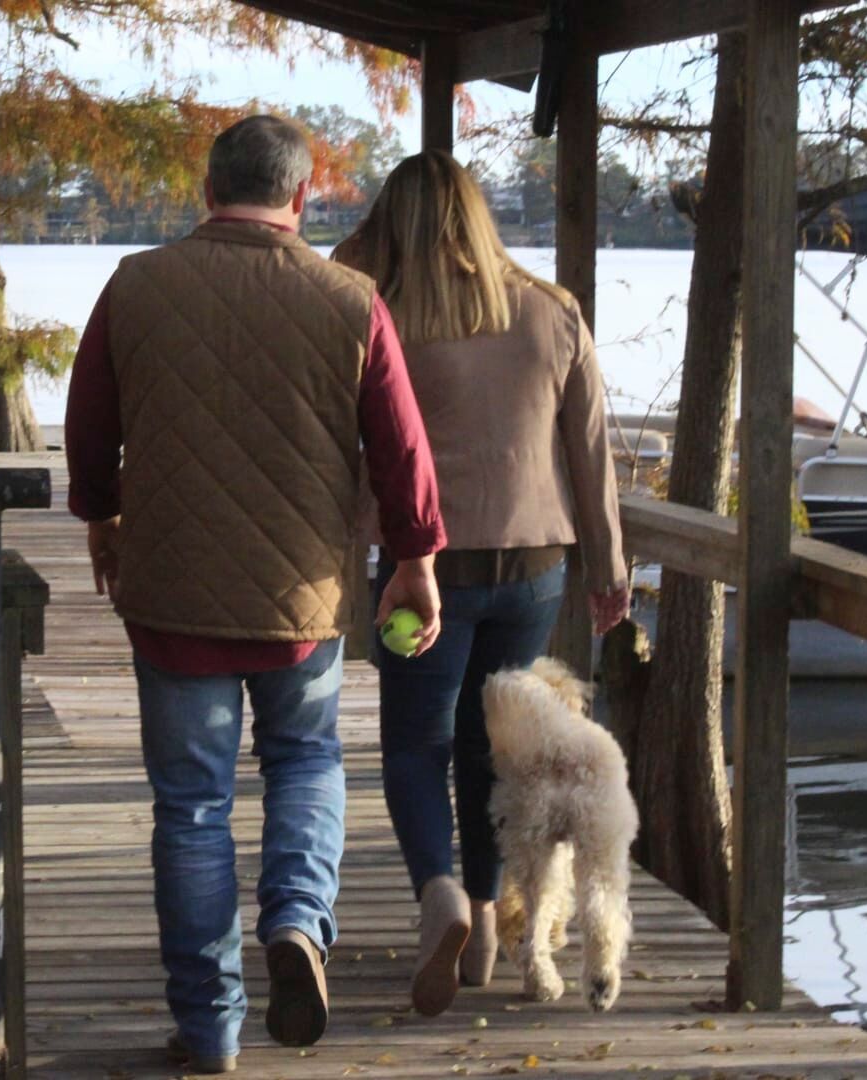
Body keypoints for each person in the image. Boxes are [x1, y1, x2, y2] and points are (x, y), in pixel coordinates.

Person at [65, 115, 447, 1074]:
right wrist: (416, 557)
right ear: (303, 195)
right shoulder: (351, 300)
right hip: (299, 597)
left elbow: (89, 424)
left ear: (208, 190)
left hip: (172, 593)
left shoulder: (135, 284)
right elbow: (401, 445)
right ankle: (297, 923)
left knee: (191, 808)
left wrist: (102, 517)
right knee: (307, 761)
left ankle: (209, 1030)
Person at [333, 150, 629, 1019]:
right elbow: (591, 452)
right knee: (492, 748)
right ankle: (490, 920)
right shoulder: (551, 310)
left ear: (394, 224)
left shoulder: (382, 315)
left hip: (424, 564)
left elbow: (351, 446)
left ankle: (441, 898)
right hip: (535, 563)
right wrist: (610, 566)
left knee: (413, 745)